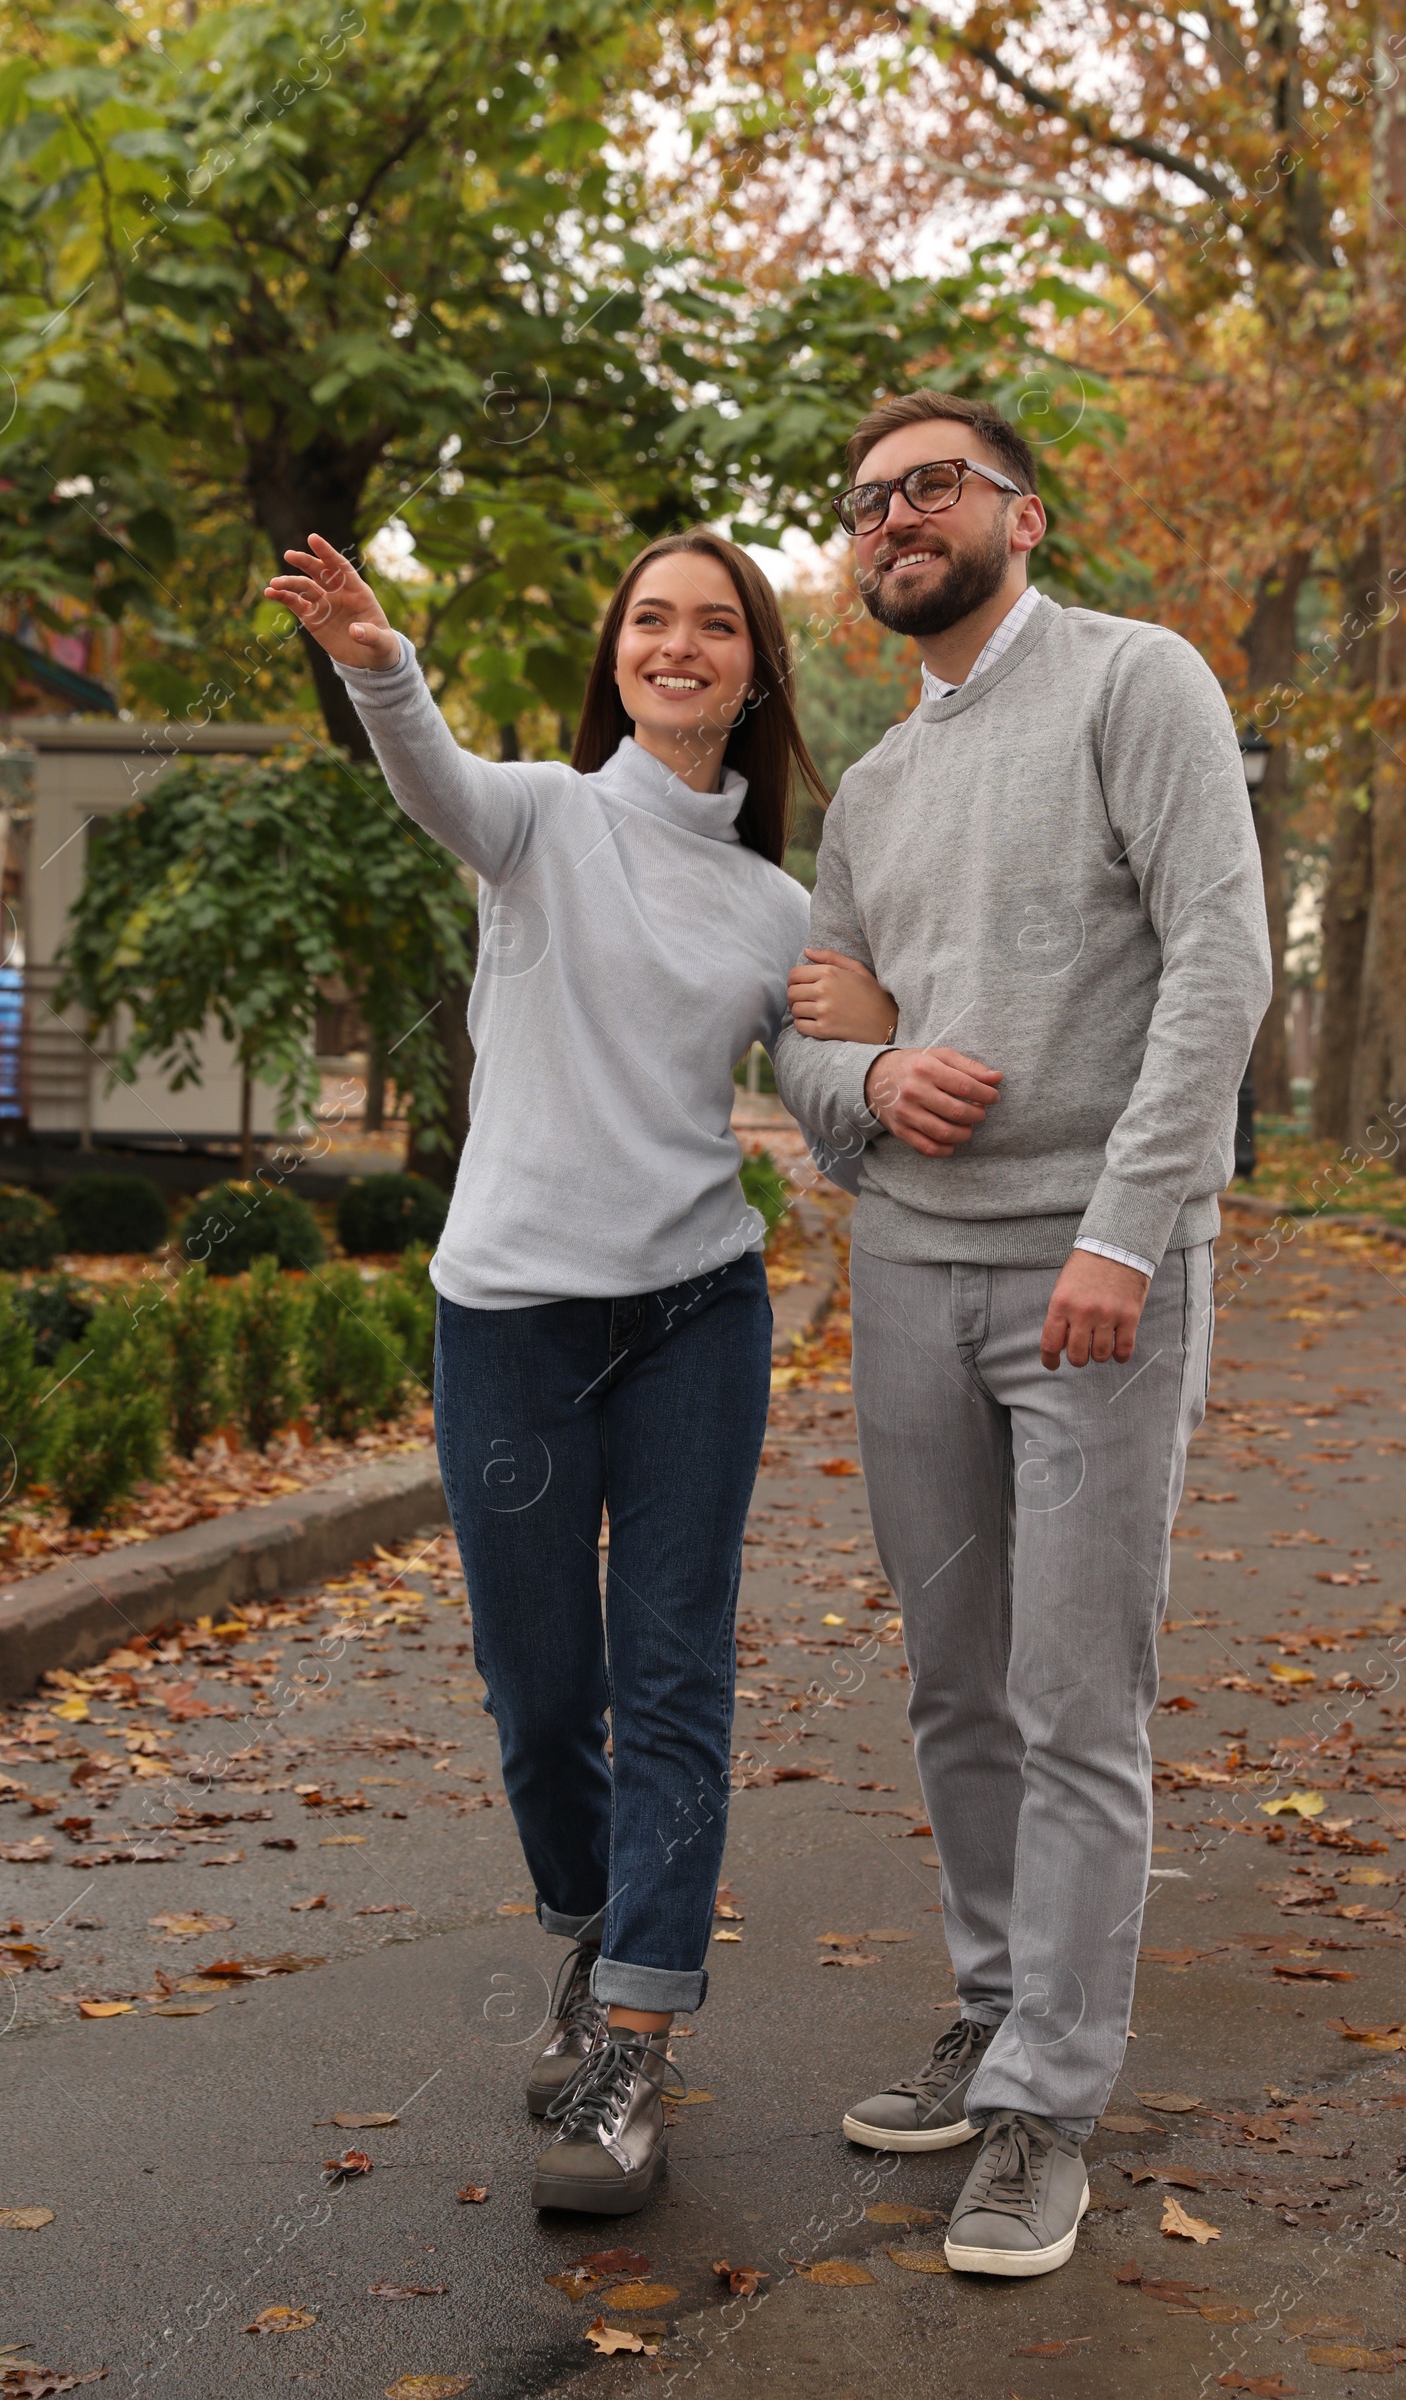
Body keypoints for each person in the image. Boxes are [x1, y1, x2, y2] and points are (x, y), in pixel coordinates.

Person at [266, 529, 895, 2216]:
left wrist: (876, 1036)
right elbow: (434, 779)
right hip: (514, 1321)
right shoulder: (539, 817)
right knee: (543, 1695)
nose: (678, 646)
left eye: (713, 627)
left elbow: (836, 1118)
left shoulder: (779, 905)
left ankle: (633, 2037)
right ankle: (587, 1924)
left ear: (756, 673)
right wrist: (374, 661)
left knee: (674, 1674)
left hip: (696, 1314)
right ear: (617, 653)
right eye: (649, 621)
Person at [776, 392, 1271, 2279]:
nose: (896, 516)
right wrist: (875, 1070)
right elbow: (808, 1033)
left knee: (1078, 1699)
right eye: (867, 501)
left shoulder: (1141, 685)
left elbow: (1223, 961)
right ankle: (993, 2012)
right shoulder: (876, 793)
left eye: (932, 487)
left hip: (1091, 1282)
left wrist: (1127, 1235)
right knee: (954, 1681)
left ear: (1023, 517)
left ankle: (1047, 2109)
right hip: (907, 1277)